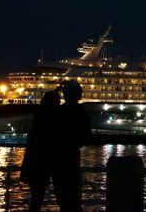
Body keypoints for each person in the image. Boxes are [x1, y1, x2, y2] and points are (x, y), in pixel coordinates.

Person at [51, 80, 92, 212]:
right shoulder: (82, 113)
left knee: (63, 195)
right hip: (70, 155)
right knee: (71, 195)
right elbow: (85, 136)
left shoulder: (58, 112)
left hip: (60, 156)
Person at [20, 90, 61, 212]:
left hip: (35, 162)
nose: (59, 103)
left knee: (36, 197)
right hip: (43, 162)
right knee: (40, 197)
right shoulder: (51, 116)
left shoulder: (39, 115)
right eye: (57, 101)